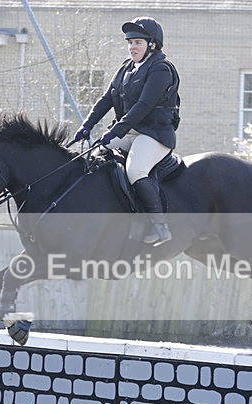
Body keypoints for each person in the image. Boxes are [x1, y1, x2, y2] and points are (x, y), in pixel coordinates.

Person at [72, 16, 180, 246]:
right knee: (92, 159)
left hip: (154, 135)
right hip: (129, 132)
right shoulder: (126, 67)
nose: (132, 47)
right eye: (130, 43)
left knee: (135, 170)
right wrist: (87, 125)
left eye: (137, 42)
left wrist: (116, 131)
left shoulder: (161, 69)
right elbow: (106, 99)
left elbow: (144, 106)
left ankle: (159, 226)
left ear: (152, 44)